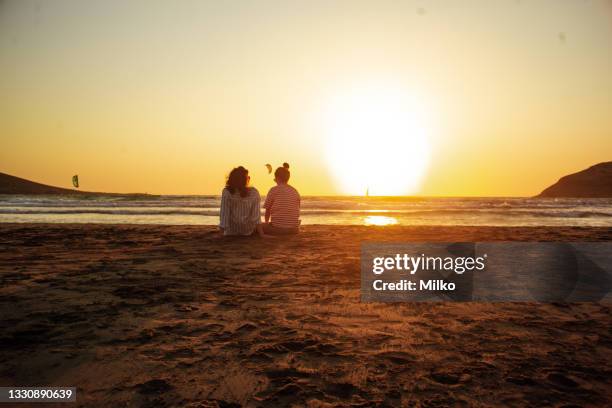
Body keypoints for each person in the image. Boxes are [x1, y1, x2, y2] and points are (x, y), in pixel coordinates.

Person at [219, 166, 266, 237]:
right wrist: (261, 234)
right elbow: (256, 216)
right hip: (247, 231)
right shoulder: (254, 192)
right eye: (248, 177)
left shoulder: (227, 192)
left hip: (231, 231)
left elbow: (224, 215)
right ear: (245, 180)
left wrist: (220, 234)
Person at [263, 163, 300, 235]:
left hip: (278, 229)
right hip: (294, 230)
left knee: (258, 227)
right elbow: (297, 210)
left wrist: (266, 223)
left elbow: (268, 210)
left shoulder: (274, 190)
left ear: (277, 178)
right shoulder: (295, 191)